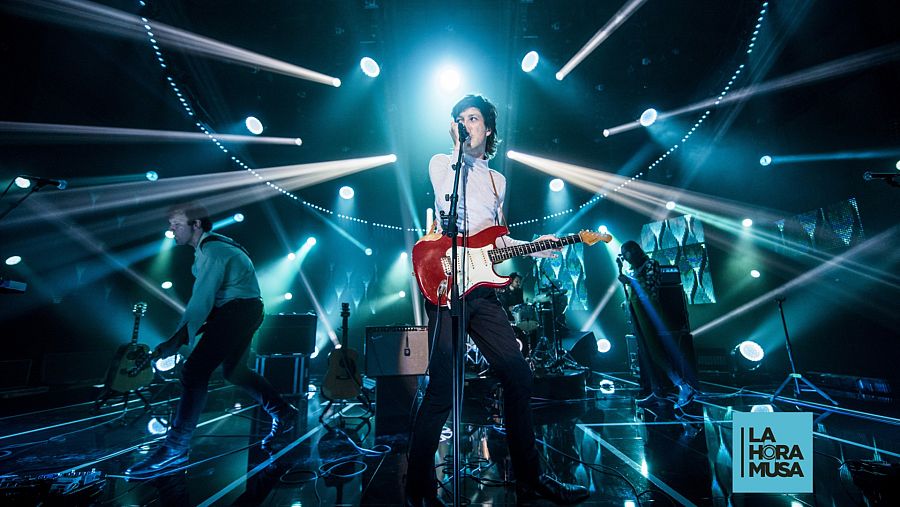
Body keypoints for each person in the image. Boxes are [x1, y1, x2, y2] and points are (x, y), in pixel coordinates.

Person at [406, 94, 589, 506]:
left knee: (518, 375)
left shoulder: (497, 181)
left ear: (488, 128)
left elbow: (497, 240)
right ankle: (417, 491)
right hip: (447, 284)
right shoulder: (441, 163)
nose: (465, 123)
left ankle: (530, 479)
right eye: (460, 118)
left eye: (473, 118)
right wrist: (457, 151)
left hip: (483, 292)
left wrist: (538, 246)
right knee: (442, 388)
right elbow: (446, 205)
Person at [126, 203, 297, 477]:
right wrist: (177, 340)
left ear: (196, 225)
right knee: (234, 371)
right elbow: (211, 304)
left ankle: (176, 447)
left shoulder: (213, 251)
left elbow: (201, 302)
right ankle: (284, 412)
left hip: (239, 311)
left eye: (177, 225)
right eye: (171, 225)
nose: (172, 230)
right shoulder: (211, 248)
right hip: (245, 309)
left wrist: (176, 340)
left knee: (194, 371)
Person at [617, 240, 695, 408]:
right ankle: (657, 391)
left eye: (626, 254)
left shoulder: (651, 264)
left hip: (651, 315)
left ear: (634, 251)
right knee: (645, 355)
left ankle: (682, 385)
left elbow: (651, 288)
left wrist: (630, 281)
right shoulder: (633, 270)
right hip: (637, 316)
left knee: (657, 352)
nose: (625, 258)